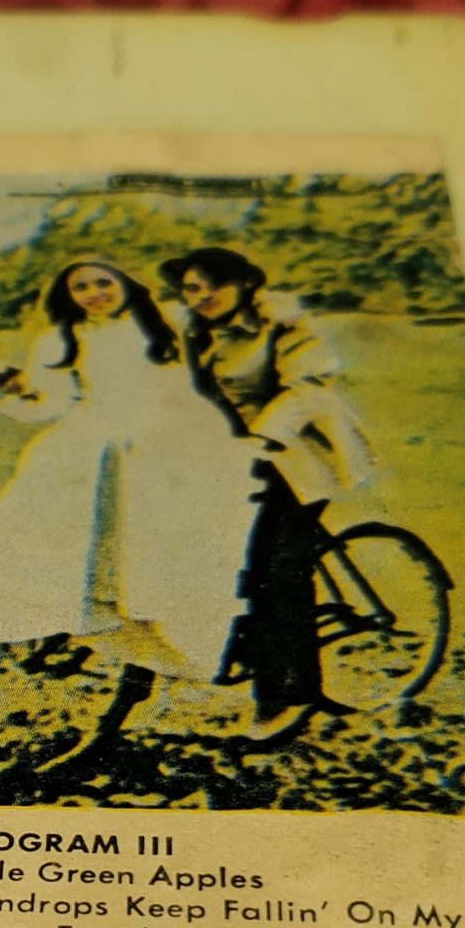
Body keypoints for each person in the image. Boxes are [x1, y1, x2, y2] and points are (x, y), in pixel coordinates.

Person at [0, 258, 258, 686]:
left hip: (176, 439)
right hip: (94, 443)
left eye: (103, 282)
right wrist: (26, 390)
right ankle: (85, 617)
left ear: (125, 282)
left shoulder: (169, 321)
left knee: (177, 544)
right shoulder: (59, 340)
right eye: (81, 287)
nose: (95, 293)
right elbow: (55, 401)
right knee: (70, 538)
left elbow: (227, 332)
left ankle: (190, 634)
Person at [161, 246, 376, 743]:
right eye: (192, 288)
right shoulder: (190, 329)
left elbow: (308, 387)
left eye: (216, 284)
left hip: (297, 453)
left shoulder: (283, 323)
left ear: (246, 284)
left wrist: (262, 437)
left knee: (274, 568)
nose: (204, 296)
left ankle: (288, 695)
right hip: (231, 458)